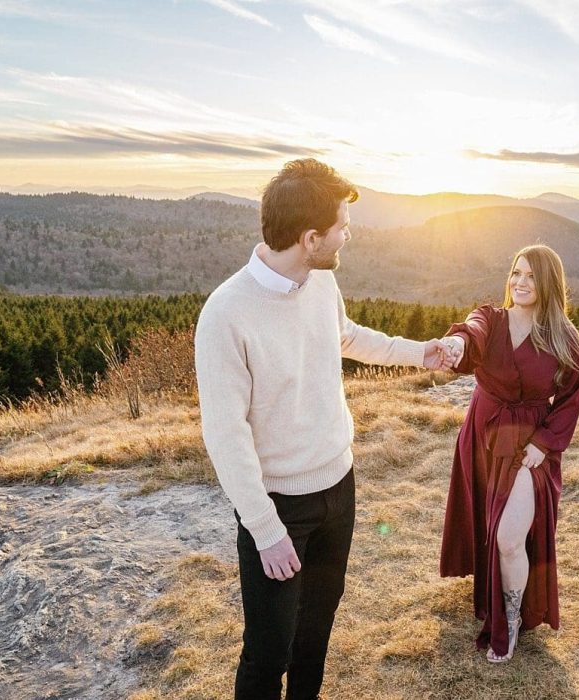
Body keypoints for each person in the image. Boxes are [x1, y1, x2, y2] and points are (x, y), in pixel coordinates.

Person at [194, 158, 456, 700]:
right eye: (342, 226)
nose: (349, 234)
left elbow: (347, 336)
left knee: (314, 638)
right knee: (268, 651)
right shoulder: (225, 314)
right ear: (310, 237)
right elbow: (226, 435)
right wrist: (266, 531)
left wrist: (419, 353)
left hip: (340, 487)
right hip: (280, 508)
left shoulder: (319, 282)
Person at [437, 245, 579, 663]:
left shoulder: (564, 339)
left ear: (549, 285)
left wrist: (543, 444)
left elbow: (571, 397)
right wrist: (455, 345)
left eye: (531, 276)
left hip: (530, 449)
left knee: (509, 537)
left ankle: (510, 620)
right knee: (490, 527)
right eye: (516, 273)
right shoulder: (493, 318)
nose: (520, 283)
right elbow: (471, 332)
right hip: (484, 438)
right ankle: (502, 602)